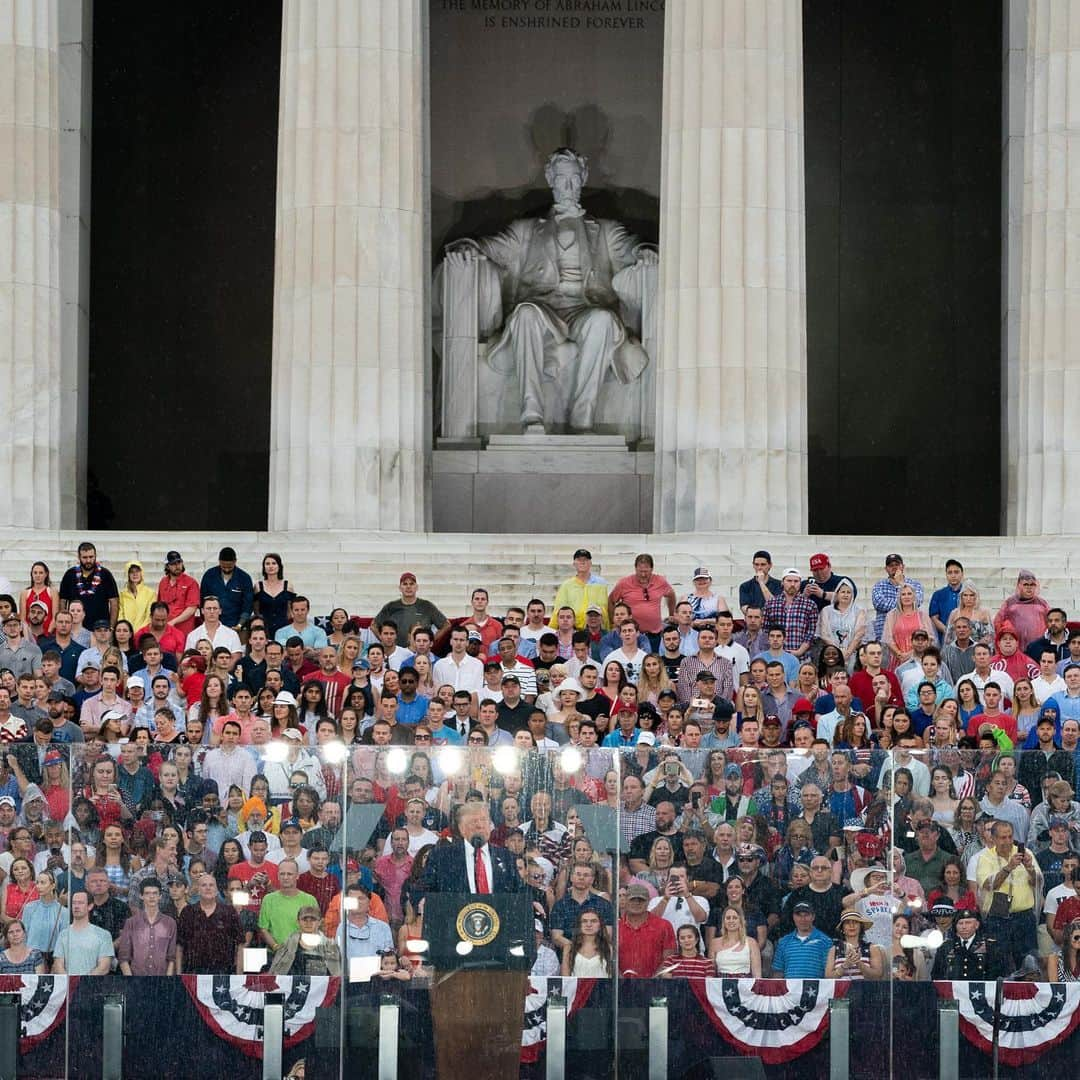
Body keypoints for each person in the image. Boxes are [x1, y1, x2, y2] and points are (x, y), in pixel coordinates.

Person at [442, 147, 655, 433]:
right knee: (526, 314)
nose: (567, 186)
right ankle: (532, 415)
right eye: (561, 178)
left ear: (583, 178)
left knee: (603, 320)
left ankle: (583, 418)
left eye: (574, 178)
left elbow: (632, 248)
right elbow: (491, 246)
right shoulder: (527, 230)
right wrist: (467, 246)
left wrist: (646, 251)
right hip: (543, 311)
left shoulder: (605, 230)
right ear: (550, 179)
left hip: (585, 309)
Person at [176, 872, 245, 974]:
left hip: (223, 974)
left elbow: (240, 945)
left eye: (211, 885)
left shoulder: (229, 912)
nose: (208, 888)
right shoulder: (188, 912)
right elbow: (179, 946)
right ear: (198, 890)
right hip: (192, 974)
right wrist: (178, 975)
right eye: (204, 885)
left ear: (217, 891)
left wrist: (239, 976)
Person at [116, 877, 177, 975]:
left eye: (155, 893)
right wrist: (131, 980)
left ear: (160, 896)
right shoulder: (131, 923)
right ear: (141, 896)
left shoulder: (170, 923)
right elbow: (123, 957)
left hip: (162, 981)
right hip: (136, 980)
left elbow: (171, 958)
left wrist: (167, 981)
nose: (151, 897)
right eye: (147, 893)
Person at [930, 906, 1008, 980]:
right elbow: (936, 974)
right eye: (960, 923)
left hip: (982, 991)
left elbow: (999, 974)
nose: (964, 927)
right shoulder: (946, 946)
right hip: (953, 992)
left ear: (977, 925)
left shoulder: (990, 946)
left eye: (968, 923)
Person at [617, 881, 676, 977]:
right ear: (626, 901)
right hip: (621, 986)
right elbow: (609, 959)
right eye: (633, 899)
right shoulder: (616, 928)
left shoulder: (664, 926)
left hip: (656, 985)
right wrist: (621, 981)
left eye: (641, 900)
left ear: (648, 901)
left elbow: (669, 959)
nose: (637, 903)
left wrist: (652, 981)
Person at [52, 890, 114, 975]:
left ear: (90, 906)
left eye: (80, 903)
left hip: (92, 985)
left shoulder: (103, 935)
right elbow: (58, 965)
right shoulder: (63, 934)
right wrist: (70, 983)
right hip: (68, 986)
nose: (76, 906)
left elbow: (104, 967)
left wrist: (83, 982)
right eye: (74, 903)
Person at [270, 905, 342, 975]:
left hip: (320, 986)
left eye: (313, 919)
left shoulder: (330, 946)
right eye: (304, 919)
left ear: (319, 922)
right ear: (298, 922)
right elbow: (275, 972)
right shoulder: (287, 945)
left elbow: (337, 975)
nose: (308, 923)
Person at [871, 554, 924, 642]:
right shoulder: (879, 586)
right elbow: (879, 603)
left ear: (903, 566)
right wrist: (906, 602)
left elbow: (917, 601)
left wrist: (901, 584)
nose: (894, 567)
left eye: (897, 565)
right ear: (886, 569)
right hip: (885, 637)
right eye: (891, 565)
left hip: (910, 637)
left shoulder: (915, 584)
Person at [772, 902, 831, 977]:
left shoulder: (825, 941)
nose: (803, 919)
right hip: (790, 988)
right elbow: (778, 972)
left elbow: (829, 973)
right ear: (793, 917)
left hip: (815, 988)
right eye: (799, 915)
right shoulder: (784, 942)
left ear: (813, 917)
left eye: (806, 915)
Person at [826, 910, 886, 980]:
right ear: (842, 928)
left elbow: (877, 976)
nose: (852, 926)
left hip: (865, 990)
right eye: (848, 923)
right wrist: (845, 965)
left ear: (861, 926)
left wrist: (859, 963)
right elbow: (828, 977)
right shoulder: (834, 949)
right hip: (842, 990)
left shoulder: (872, 948)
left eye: (855, 922)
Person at [708, 905, 762, 977]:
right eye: (728, 918)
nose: (731, 921)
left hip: (745, 985)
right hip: (720, 985)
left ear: (741, 921)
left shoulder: (751, 943)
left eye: (735, 918)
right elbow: (711, 973)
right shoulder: (714, 943)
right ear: (723, 921)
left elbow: (757, 975)